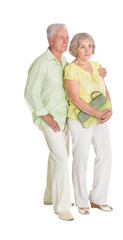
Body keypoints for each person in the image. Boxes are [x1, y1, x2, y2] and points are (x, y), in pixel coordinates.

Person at [24, 24, 106, 221]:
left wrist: (100, 72)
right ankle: (61, 206)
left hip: (65, 118)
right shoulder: (42, 63)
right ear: (49, 40)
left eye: (67, 37)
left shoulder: (65, 62)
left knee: (58, 157)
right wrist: (46, 116)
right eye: (60, 37)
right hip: (50, 119)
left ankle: (50, 196)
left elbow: (80, 78)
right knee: (61, 158)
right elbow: (30, 94)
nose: (65, 41)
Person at [63, 33, 113, 215]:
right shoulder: (70, 69)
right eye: (82, 46)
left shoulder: (96, 66)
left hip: (100, 117)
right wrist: (97, 113)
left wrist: (110, 108)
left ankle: (98, 198)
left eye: (90, 46)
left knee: (105, 155)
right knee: (81, 158)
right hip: (79, 118)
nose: (87, 50)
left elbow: (104, 90)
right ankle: (81, 201)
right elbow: (75, 99)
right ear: (74, 48)